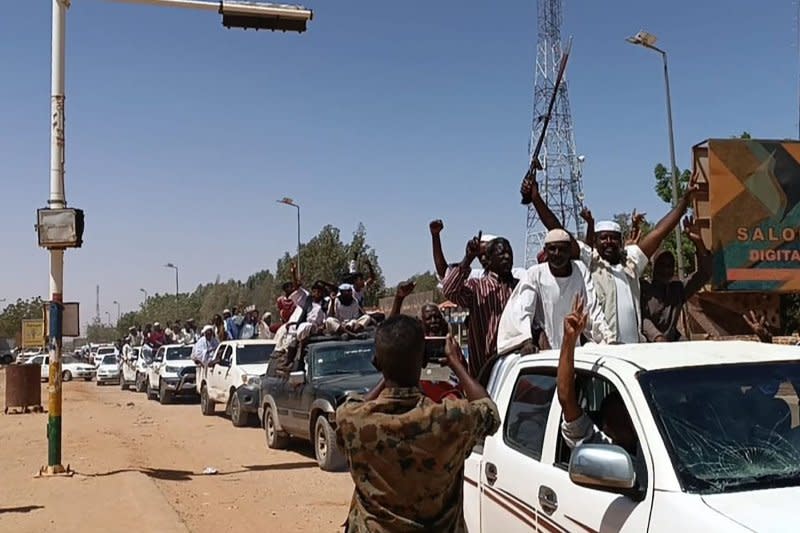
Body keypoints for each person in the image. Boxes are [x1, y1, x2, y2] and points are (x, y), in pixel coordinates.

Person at [335, 315, 500, 532]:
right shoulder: (451, 419)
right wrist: (457, 365)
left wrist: (389, 370)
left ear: (376, 362)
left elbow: (357, 406)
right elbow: (489, 410)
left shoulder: (352, 421)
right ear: (423, 360)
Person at [522, 164, 700, 343]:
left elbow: (658, 232)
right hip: (604, 349)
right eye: (604, 238)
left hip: (634, 347)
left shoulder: (631, 262)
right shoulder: (589, 262)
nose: (609, 242)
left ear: (621, 242)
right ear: (596, 242)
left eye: (613, 238)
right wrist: (536, 198)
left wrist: (684, 201)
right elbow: (558, 230)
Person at [498, 229, 613, 354]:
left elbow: (592, 308)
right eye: (552, 249)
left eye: (562, 249)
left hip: (577, 351)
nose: (557, 254)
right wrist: (527, 341)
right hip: (547, 351)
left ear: (569, 251)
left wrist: (607, 338)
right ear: (545, 251)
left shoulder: (580, 270)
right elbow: (523, 310)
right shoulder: (535, 274)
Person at [557, 296, 638, 456]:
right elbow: (566, 399)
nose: (628, 425)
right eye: (620, 421)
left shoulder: (655, 443)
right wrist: (569, 340)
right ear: (607, 427)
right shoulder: (598, 444)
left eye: (628, 419)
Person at [442, 234, 518, 382]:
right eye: (502, 253)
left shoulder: (520, 287)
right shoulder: (477, 287)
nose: (507, 257)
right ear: (488, 260)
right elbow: (449, 290)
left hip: (513, 373)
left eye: (509, 253)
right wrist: (468, 258)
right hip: (483, 374)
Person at [641, 216, 711, 342]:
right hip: (647, 345)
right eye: (661, 265)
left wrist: (698, 242)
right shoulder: (644, 289)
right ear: (654, 267)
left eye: (669, 266)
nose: (665, 270)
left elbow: (705, 273)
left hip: (671, 343)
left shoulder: (677, 289)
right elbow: (642, 319)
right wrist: (657, 337)